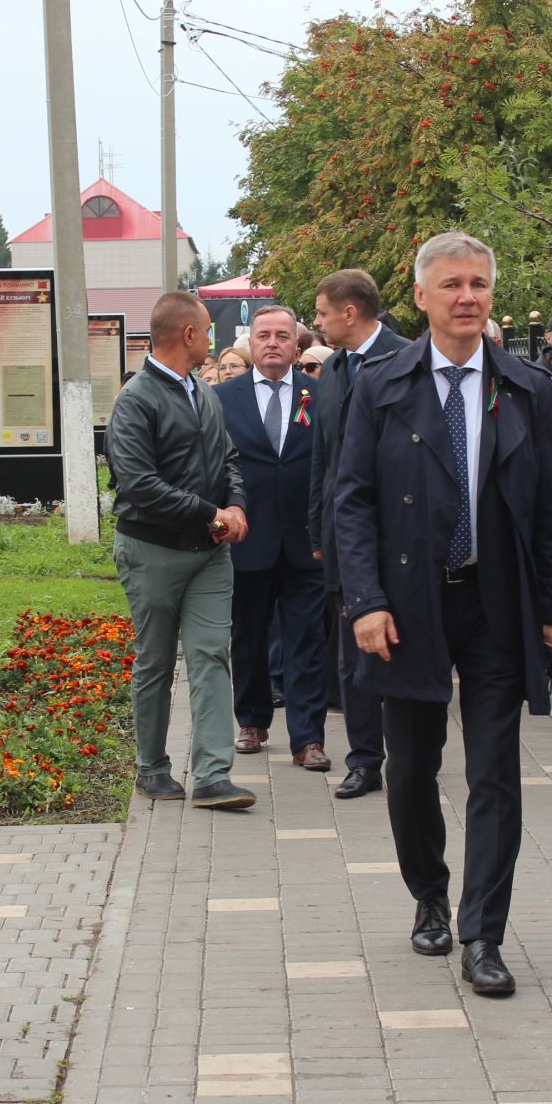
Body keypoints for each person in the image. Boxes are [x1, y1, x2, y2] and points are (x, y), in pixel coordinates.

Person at [336, 231, 552, 997]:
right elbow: (352, 502)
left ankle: (483, 932)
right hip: (407, 605)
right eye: (451, 285)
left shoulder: (528, 386)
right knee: (410, 768)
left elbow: (549, 509)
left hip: (497, 601)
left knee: (496, 772)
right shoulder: (381, 384)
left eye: (478, 283)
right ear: (421, 297)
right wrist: (366, 601)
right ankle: (429, 897)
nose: (467, 297)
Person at [106, 291, 257, 810]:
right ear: (189, 335)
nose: (213, 341)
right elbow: (138, 484)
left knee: (212, 655)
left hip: (210, 553)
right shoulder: (135, 399)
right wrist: (209, 512)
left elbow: (229, 458)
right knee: (155, 661)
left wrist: (234, 505)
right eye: (207, 332)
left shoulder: (203, 391)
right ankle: (152, 768)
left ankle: (213, 776)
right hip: (152, 551)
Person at [308, 268, 411, 800]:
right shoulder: (333, 370)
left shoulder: (408, 360)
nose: (317, 323)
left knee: (408, 646)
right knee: (352, 655)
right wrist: (316, 526)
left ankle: (414, 756)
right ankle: (365, 759)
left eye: (322, 313)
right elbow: (322, 458)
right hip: (345, 535)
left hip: (404, 532)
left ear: (350, 312)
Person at [218, 305, 332, 770]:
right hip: (249, 536)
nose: (272, 343)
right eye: (263, 335)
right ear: (251, 342)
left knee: (307, 640)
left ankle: (307, 738)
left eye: (282, 336)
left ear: (296, 344)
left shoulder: (319, 395)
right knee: (248, 634)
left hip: (307, 540)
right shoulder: (225, 398)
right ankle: (251, 719)